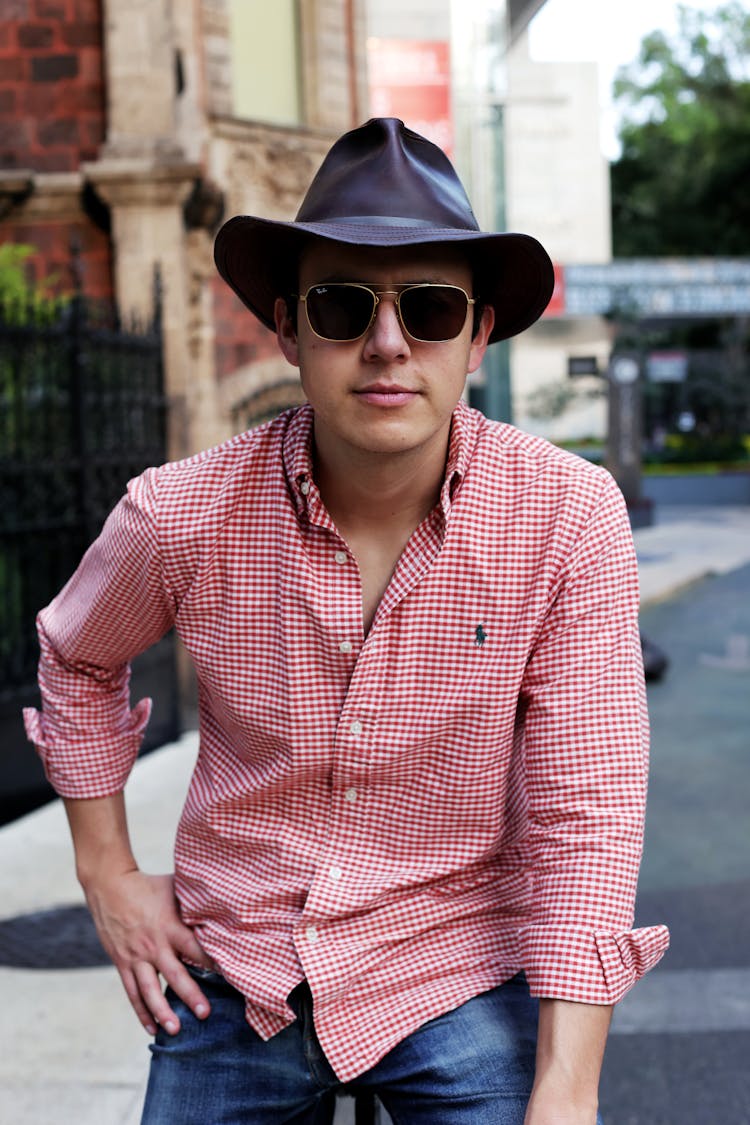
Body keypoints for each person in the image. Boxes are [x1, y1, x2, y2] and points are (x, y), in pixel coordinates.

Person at [25, 118, 669, 1124]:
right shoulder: (182, 513)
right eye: (342, 305)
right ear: (289, 330)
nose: (386, 344)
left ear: (479, 335)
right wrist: (105, 872)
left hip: (450, 959)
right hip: (237, 966)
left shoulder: (566, 517)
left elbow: (585, 813)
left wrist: (567, 1087)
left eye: (429, 308)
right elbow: (73, 656)